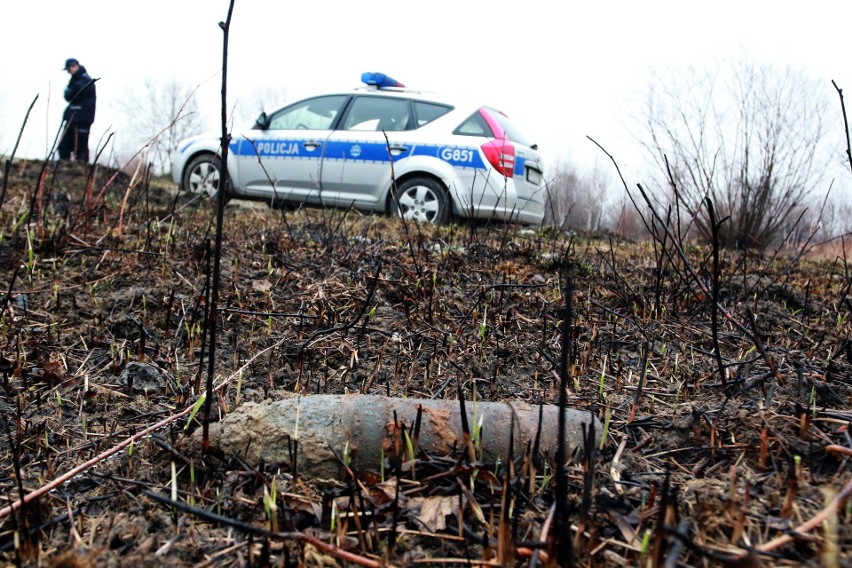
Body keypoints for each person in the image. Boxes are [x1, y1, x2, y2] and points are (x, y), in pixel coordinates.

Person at [58, 58, 97, 162]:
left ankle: (82, 168)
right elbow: (68, 95)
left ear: (74, 66)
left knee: (80, 146)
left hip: (82, 118)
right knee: (64, 145)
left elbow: (71, 94)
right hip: (74, 116)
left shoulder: (85, 80)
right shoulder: (76, 79)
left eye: (69, 69)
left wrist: (69, 91)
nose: (68, 72)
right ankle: (64, 165)